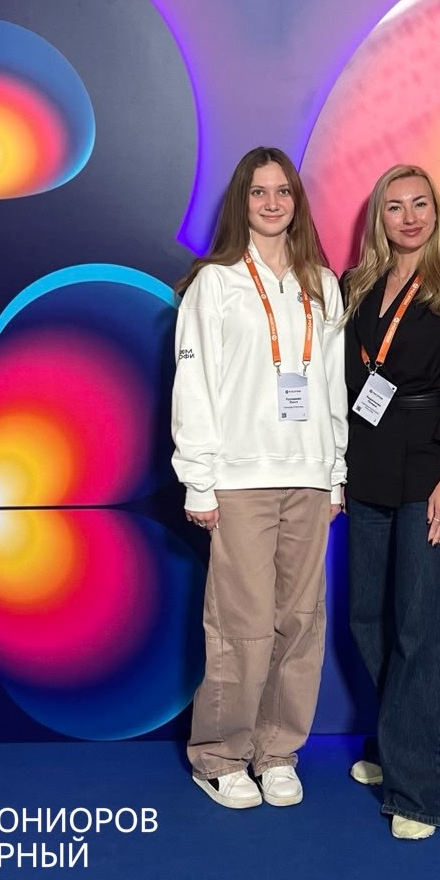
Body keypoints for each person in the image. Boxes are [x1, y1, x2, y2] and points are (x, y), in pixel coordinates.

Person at [172, 147, 348, 810]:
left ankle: (277, 752)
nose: (272, 203)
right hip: (240, 479)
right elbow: (195, 386)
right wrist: (199, 480)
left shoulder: (321, 283)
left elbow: (332, 386)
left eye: (283, 191)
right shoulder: (215, 283)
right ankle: (220, 756)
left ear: (297, 201)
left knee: (300, 623)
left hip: (308, 475)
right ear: (241, 203)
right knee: (241, 625)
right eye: (258, 192)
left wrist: (335, 473)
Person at [342, 163, 440, 840]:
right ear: (380, 217)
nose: (409, 217)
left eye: (420, 204)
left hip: (430, 463)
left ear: (436, 212)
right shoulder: (356, 286)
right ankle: (397, 741)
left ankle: (422, 791)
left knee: (420, 626)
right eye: (395, 206)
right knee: (368, 618)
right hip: (367, 462)